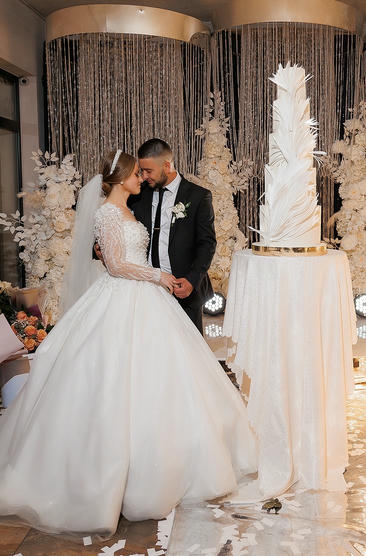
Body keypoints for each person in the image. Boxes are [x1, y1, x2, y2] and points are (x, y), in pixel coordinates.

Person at [0, 150, 257, 536]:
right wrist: (158, 277)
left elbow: (125, 255)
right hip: (126, 296)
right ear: (122, 178)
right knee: (116, 380)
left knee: (167, 380)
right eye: (137, 174)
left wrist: (157, 278)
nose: (142, 179)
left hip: (145, 297)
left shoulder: (128, 207)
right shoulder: (107, 212)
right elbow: (117, 266)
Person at [95, 138, 216, 333]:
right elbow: (114, 222)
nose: (143, 177)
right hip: (142, 290)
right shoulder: (138, 195)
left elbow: (207, 244)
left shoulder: (198, 196)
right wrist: (100, 248)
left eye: (148, 171)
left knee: (186, 353)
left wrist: (192, 280)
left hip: (182, 289)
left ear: (167, 166)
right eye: (140, 171)